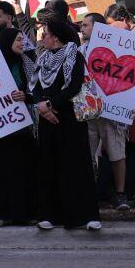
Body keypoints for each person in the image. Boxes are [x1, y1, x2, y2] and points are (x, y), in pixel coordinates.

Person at [33, 19, 102, 231]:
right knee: (50, 166)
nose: (43, 37)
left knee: (76, 166)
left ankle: (85, 215)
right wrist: (42, 107)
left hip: (70, 117)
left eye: (46, 33)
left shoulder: (74, 55)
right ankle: (50, 215)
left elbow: (73, 86)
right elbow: (35, 85)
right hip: (47, 117)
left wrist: (51, 103)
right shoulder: (43, 58)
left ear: (56, 37)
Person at [0, 2, 37, 226]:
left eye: (22, 39)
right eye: (18, 40)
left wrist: (27, 96)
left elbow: (36, 89)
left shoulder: (26, 62)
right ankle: (0, 212)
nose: (22, 42)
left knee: (23, 170)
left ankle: (24, 213)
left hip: (21, 126)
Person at [81, 11, 130, 211]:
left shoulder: (116, 50)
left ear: (97, 28)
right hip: (87, 111)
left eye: (85, 25)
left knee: (117, 152)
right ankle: (86, 195)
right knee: (85, 154)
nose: (81, 28)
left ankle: (120, 195)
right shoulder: (79, 51)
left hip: (111, 112)